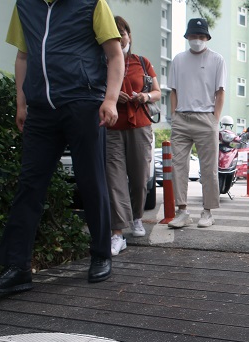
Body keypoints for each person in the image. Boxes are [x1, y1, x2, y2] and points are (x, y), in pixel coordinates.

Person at [0, 0, 123, 294]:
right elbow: (23, 57)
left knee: (91, 180)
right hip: (40, 108)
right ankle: (17, 268)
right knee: (29, 185)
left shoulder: (92, 4)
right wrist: (21, 102)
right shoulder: (25, 6)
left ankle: (100, 254)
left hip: (82, 102)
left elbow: (114, 53)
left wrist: (110, 99)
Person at [106, 16, 161, 256]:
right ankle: (117, 233)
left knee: (140, 179)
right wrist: (112, 95)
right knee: (114, 180)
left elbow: (158, 92)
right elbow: (96, 90)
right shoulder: (103, 63)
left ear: (129, 35)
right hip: (112, 127)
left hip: (139, 126)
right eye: (114, 35)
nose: (120, 38)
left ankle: (137, 218)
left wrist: (145, 96)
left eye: (123, 33)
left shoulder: (142, 62)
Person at [167, 18, 226, 229]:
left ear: (207, 38)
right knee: (178, 166)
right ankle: (182, 211)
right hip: (181, 118)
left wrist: (214, 119)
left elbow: (220, 92)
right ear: (187, 37)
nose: (197, 40)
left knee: (208, 168)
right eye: (194, 36)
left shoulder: (217, 59)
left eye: (201, 37)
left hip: (206, 118)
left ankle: (207, 211)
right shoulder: (178, 59)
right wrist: (174, 116)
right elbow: (173, 91)